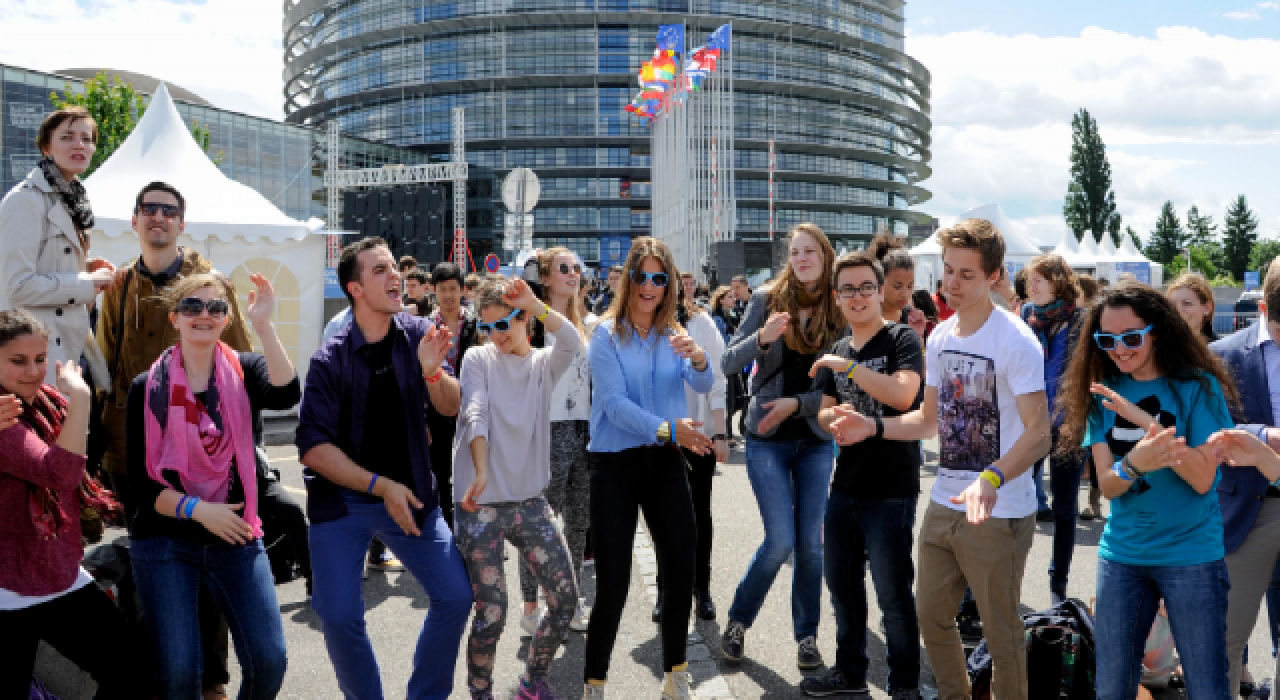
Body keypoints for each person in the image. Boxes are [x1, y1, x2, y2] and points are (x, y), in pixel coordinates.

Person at [828, 218, 1050, 700]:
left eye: (966, 274)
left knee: (1001, 632)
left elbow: (1040, 434)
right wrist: (874, 426)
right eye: (948, 271)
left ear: (993, 275)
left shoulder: (1016, 340)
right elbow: (929, 421)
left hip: (1000, 508)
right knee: (930, 617)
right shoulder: (940, 336)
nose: (951, 283)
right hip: (944, 501)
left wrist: (992, 476)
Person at [97, 181, 257, 699]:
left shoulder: (207, 285)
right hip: (134, 451)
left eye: (169, 210)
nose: (158, 217)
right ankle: (165, 674)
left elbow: (241, 366)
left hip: (204, 451)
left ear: (181, 222)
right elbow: (104, 365)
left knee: (210, 569)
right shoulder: (119, 285)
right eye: (149, 209)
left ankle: (212, 679)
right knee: (151, 567)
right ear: (136, 219)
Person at [296, 237, 472, 700]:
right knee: (336, 614)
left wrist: (433, 373)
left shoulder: (419, 333)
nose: (394, 275)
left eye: (395, 266)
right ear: (355, 288)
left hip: (414, 495)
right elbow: (312, 448)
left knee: (455, 597)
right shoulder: (328, 359)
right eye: (380, 270)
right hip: (344, 502)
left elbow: (452, 407)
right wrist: (379, 486)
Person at [1056, 283, 1235, 700]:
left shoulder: (1198, 387)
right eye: (1107, 340)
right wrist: (1136, 461)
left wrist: (1144, 423)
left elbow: (1203, 479)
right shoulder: (1102, 393)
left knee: (1207, 687)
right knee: (1112, 688)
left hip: (1192, 556)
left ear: (1158, 331)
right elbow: (1109, 485)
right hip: (1123, 557)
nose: (1119, 349)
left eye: (1132, 337)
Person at [126, 273, 297, 699]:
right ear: (175, 318)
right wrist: (201, 511)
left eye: (216, 308)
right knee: (180, 673)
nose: (205, 315)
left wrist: (263, 325)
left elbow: (286, 392)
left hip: (236, 536)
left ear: (225, 319)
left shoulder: (247, 370)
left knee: (269, 661)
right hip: (166, 538)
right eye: (192, 307)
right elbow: (142, 489)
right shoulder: (146, 389)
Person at [583, 236, 714, 700]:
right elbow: (614, 405)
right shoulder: (603, 334)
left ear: (668, 285)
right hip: (614, 466)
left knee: (680, 570)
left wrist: (698, 357)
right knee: (613, 583)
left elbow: (703, 379)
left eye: (660, 278)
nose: (649, 286)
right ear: (629, 279)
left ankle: (675, 673)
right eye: (642, 275)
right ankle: (594, 682)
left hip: (663, 463)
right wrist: (670, 430)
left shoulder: (672, 332)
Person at [0, 310, 148, 698]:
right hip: (9, 590)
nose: (33, 371)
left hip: (56, 575)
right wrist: (81, 396)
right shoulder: (6, 418)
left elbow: (84, 460)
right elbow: (61, 473)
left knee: (129, 673)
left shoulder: (44, 404)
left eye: (38, 359)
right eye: (17, 361)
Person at [720, 223, 846, 670]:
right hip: (766, 439)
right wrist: (763, 338)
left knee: (812, 545)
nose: (802, 258)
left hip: (814, 438)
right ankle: (738, 622)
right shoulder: (765, 300)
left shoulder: (838, 308)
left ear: (825, 256)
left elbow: (841, 389)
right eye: (795, 252)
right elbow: (727, 361)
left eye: (810, 250)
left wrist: (798, 404)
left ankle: (807, 637)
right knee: (779, 541)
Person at [452, 276, 580, 700]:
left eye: (504, 324)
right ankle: (480, 691)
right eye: (487, 327)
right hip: (479, 501)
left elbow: (572, 342)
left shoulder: (544, 364)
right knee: (492, 610)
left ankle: (533, 678)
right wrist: (481, 468)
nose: (496, 336)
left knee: (565, 600)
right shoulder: (477, 358)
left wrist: (539, 306)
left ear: (524, 318)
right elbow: (475, 410)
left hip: (529, 500)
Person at [803, 251, 925, 698]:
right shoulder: (838, 349)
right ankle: (850, 672)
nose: (857, 297)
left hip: (892, 488)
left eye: (865, 288)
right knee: (841, 586)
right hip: (847, 485)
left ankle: (904, 686)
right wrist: (835, 421)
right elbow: (824, 414)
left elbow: (902, 395)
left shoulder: (901, 340)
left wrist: (851, 370)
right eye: (848, 290)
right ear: (838, 298)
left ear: (879, 292)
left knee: (893, 596)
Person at [0, 106, 115, 388]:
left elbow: (45, 266)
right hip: (36, 354)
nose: (80, 145)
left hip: (71, 345)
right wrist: (86, 282)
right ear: (46, 147)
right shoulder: (25, 201)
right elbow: (16, 286)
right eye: (67, 137)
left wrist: (84, 268)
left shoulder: (75, 199)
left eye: (87, 139)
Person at [516, 248, 596, 634]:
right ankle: (530, 604)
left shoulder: (590, 323)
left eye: (576, 268)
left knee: (578, 522)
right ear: (545, 277)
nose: (573, 274)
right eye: (564, 268)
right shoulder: (531, 323)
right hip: (545, 428)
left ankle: (571, 597)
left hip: (584, 429)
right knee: (537, 522)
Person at [1211, 258, 1280, 695]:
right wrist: (1262, 437)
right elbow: (1202, 428)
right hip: (1244, 514)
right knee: (1224, 639)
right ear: (1262, 309)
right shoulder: (1222, 355)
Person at [654, 272, 729, 623]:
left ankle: (702, 588)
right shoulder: (646, 324)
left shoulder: (701, 324)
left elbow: (717, 377)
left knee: (700, 512)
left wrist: (721, 432)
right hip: (661, 435)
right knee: (663, 516)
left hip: (698, 433)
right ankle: (665, 589)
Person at [1020, 253, 1088, 601]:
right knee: (1014, 498)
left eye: (1039, 279)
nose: (1031, 286)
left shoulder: (1081, 319)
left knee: (1063, 508)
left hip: (1068, 426)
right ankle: (1008, 573)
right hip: (1030, 423)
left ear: (1058, 281)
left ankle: (1057, 584)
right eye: (1030, 279)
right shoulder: (1024, 316)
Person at [426, 261, 480, 530]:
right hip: (437, 408)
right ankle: (447, 532)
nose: (448, 295)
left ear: (462, 291)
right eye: (442, 289)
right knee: (440, 473)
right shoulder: (424, 327)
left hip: (472, 408)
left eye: (453, 288)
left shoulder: (475, 324)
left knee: (474, 470)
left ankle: (479, 530)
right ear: (433, 290)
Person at [869, 232, 928, 339]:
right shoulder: (866, 318)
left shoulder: (912, 318)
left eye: (910, 286)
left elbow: (920, 355)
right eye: (897, 286)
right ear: (880, 281)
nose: (905, 293)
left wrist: (919, 336)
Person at [1168, 272, 1219, 343]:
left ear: (1207, 308)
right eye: (1172, 305)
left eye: (1187, 303)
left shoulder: (1221, 352)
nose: (1178, 310)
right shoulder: (1157, 348)